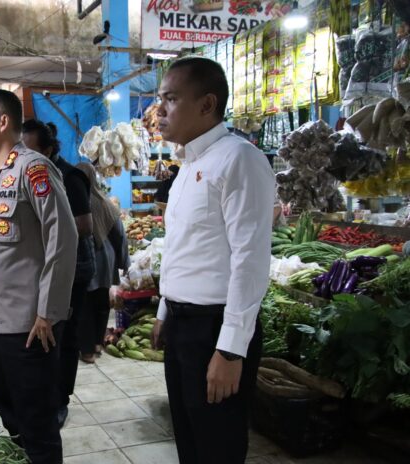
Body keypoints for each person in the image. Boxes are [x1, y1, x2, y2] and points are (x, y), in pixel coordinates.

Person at [150, 57, 275, 464]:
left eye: (170, 99)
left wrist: (231, 350)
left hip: (215, 330)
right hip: (183, 326)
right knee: (188, 440)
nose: (160, 110)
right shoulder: (188, 166)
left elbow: (250, 259)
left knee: (217, 445)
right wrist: (165, 311)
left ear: (207, 105)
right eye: (159, 99)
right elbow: (182, 247)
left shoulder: (239, 159)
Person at [0, 89, 77, 464]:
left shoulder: (34, 169)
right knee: (9, 413)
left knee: (38, 424)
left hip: (29, 325)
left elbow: (63, 238)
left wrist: (48, 311)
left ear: (3, 122)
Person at [21, 119, 94, 427]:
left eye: (30, 150)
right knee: (44, 333)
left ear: (48, 150)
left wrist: (46, 229)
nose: (22, 157)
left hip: (74, 268)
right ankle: (36, 395)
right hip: (48, 266)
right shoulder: (27, 174)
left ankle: (60, 400)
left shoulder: (68, 177)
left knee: (63, 335)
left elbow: (85, 226)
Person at [76, 162, 129, 363]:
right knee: (101, 304)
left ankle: (88, 351)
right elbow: (120, 235)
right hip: (106, 260)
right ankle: (98, 344)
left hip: (85, 258)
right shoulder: (105, 202)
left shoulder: (75, 202)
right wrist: (123, 262)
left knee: (86, 305)